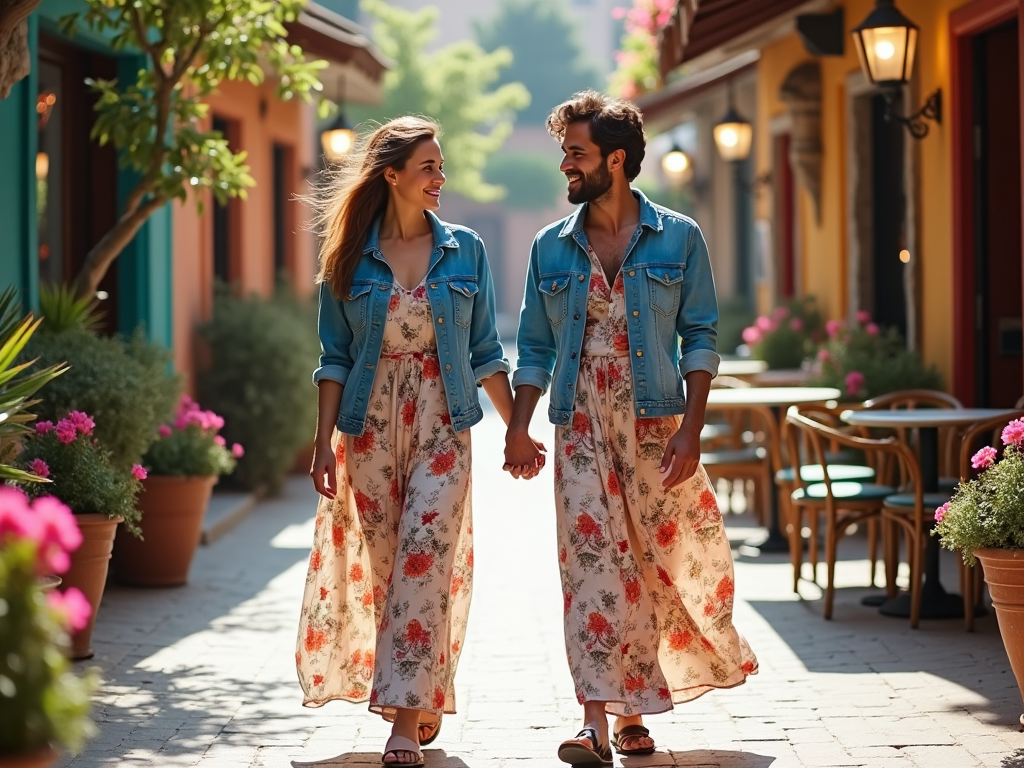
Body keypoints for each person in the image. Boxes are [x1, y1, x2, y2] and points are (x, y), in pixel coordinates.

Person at [504, 91, 758, 766]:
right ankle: (592, 719)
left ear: (615, 160)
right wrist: (518, 426)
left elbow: (701, 335)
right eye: (564, 152)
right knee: (590, 569)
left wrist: (692, 429)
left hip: (655, 427)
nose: (565, 164)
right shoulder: (549, 248)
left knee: (647, 568)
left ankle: (632, 712)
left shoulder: (680, 237)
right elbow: (532, 346)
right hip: (579, 424)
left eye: (576, 152)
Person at [297, 116, 543, 768]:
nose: (442, 177)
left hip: (443, 424)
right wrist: (322, 444)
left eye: (440, 165)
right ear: (393, 176)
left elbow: (487, 350)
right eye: (429, 166)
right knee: (388, 572)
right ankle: (421, 687)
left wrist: (516, 429)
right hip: (369, 431)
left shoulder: (466, 251)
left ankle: (403, 721)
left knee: (423, 561)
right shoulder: (348, 256)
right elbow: (334, 358)